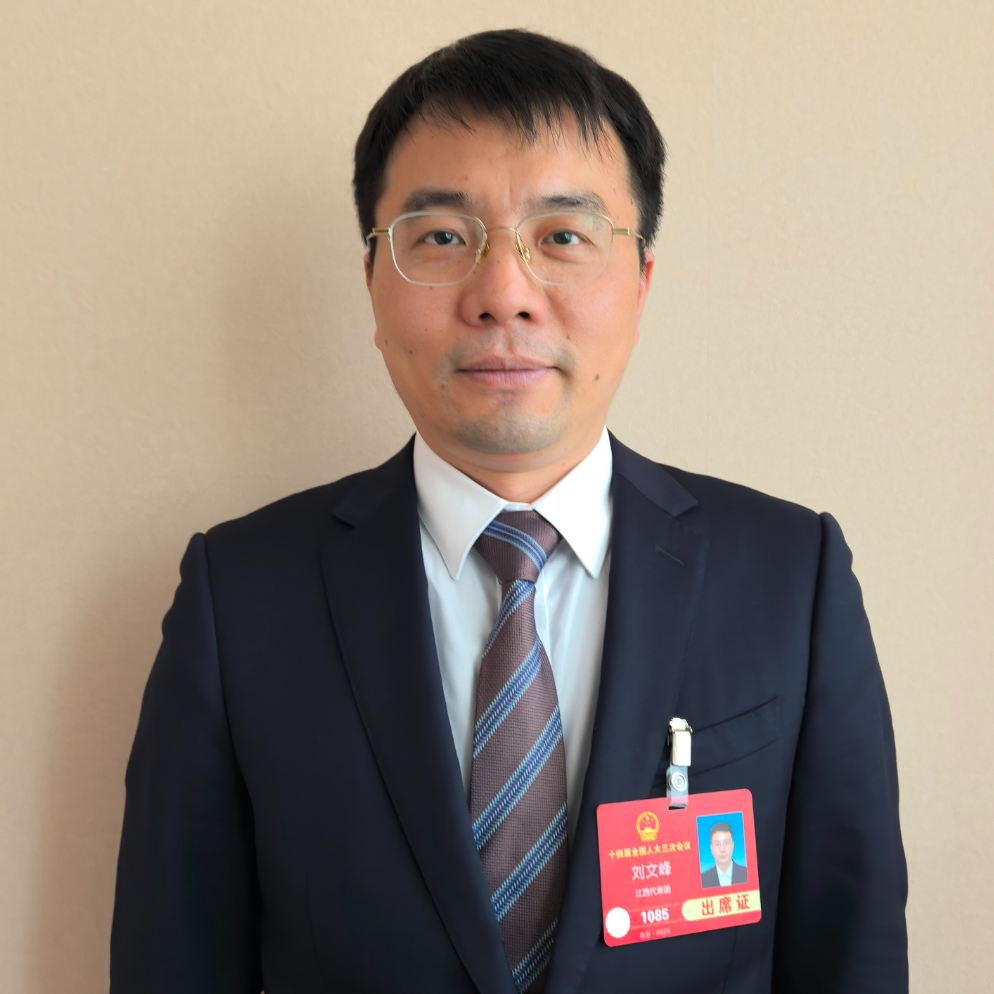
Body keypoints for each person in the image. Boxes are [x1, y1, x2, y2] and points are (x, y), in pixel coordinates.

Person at [110, 28, 908, 994]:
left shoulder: (791, 578)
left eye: (563, 236)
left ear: (641, 282)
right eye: (443, 238)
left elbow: (852, 956)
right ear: (373, 283)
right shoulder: (239, 598)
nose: (503, 295)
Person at [701, 821, 748, 889]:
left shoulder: (747, 873)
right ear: (711, 848)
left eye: (726, 843)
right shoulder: (702, 880)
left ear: (732, 845)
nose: (722, 849)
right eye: (717, 844)